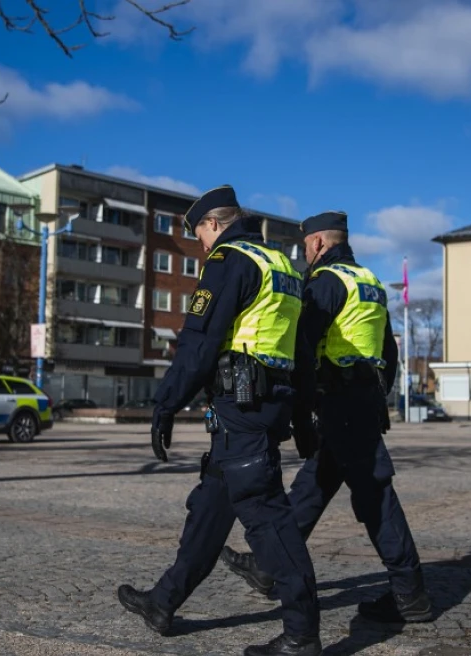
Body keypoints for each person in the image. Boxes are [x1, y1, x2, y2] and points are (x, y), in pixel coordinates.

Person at [116, 186, 323, 656]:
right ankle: (163, 602)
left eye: (199, 236)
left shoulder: (229, 261)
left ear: (212, 224)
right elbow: (302, 351)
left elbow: (199, 342)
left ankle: (301, 634)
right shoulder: (282, 266)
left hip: (241, 410)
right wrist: (306, 419)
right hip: (265, 404)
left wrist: (166, 404)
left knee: (267, 519)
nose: (201, 247)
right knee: (211, 506)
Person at [219, 210, 433, 625]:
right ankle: (267, 568)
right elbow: (388, 354)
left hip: (340, 403)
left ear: (317, 243)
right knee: (311, 488)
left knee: (377, 500)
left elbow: (303, 345)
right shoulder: (368, 281)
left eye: (305, 247)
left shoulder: (327, 283)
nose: (305, 254)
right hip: (359, 402)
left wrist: (294, 404)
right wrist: (373, 395)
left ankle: (411, 595)